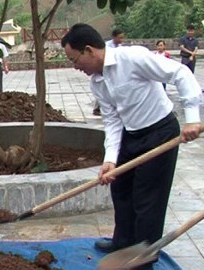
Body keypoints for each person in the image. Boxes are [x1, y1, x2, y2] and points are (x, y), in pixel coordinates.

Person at [61, 23, 201, 269]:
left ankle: (143, 257)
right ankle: (122, 242)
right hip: (131, 134)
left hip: (160, 132)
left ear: (89, 51)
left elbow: (180, 74)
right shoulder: (97, 82)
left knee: (147, 200)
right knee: (121, 189)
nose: (76, 67)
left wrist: (192, 118)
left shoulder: (133, 58)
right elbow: (113, 120)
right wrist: (110, 160)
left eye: (75, 60)